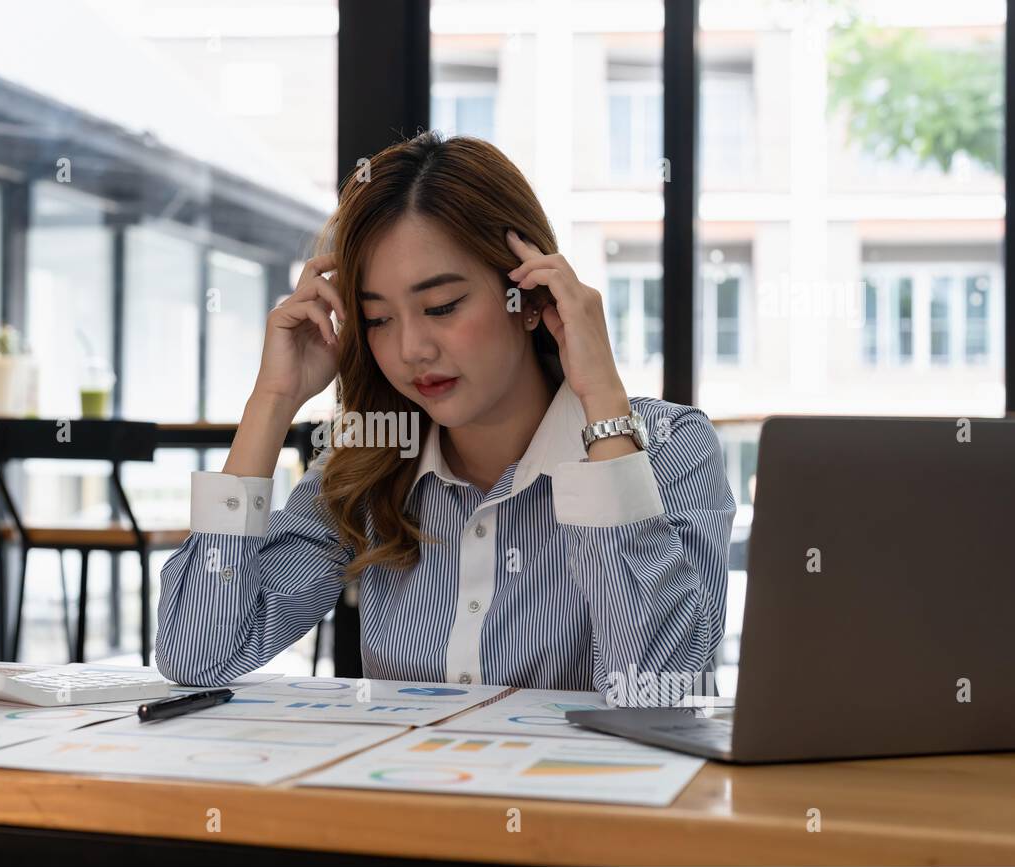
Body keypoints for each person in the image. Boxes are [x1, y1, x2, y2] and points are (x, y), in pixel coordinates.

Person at [156, 131, 735, 705]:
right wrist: (272, 401)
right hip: (406, 793)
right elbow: (197, 654)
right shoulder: (371, 457)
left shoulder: (666, 449)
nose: (411, 349)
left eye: (441, 307)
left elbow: (663, 695)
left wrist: (603, 398)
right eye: (378, 318)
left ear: (530, 298)